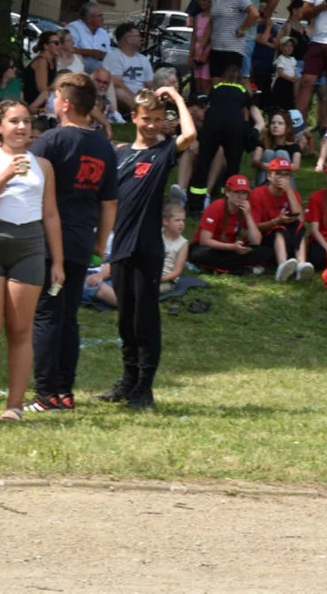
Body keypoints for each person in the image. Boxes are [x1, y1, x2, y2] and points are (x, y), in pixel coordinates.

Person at [0, 101, 64, 422]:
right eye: (14, 121)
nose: (21, 127)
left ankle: (15, 407)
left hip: (29, 247)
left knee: (19, 329)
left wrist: (58, 261)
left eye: (26, 122)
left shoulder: (43, 166)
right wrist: (5, 175)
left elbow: (50, 215)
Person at [97, 86, 196, 409]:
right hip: (121, 247)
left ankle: (145, 387)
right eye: (146, 119)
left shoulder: (164, 151)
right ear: (133, 118)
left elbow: (190, 134)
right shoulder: (121, 154)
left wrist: (177, 100)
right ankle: (127, 381)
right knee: (125, 318)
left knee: (145, 319)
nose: (152, 125)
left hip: (148, 248)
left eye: (157, 119)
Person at [29, 72, 117, 412]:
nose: (53, 103)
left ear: (64, 104)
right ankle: (64, 391)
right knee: (68, 316)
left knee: (47, 314)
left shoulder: (50, 141)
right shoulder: (104, 146)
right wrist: (100, 242)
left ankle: (46, 393)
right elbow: (110, 202)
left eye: (54, 97)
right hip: (81, 241)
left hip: (49, 241)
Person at [186, 66, 257, 212]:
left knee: (203, 161)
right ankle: (228, 199)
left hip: (212, 124)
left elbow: (209, 102)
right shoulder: (242, 91)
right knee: (233, 162)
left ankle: (194, 204)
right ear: (240, 79)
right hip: (234, 127)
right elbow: (249, 107)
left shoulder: (216, 87)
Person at [188, 174, 272, 275]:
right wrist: (231, 247)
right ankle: (242, 269)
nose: (241, 197)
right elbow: (204, 241)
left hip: (233, 249)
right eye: (237, 192)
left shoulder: (246, 208)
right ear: (227, 192)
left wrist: (248, 216)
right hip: (212, 248)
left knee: (266, 252)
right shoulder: (216, 207)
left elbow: (256, 241)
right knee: (198, 254)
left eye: (244, 193)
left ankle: (225, 267)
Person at [249, 158, 311, 282]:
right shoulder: (257, 193)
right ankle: (282, 265)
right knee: (279, 230)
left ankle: (301, 265)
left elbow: (301, 219)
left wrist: (288, 191)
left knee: (299, 228)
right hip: (267, 236)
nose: (282, 178)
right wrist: (276, 221)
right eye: (278, 173)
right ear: (269, 175)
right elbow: (255, 226)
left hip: (289, 235)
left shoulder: (292, 193)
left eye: (286, 174)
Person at [227, 0, 281, 85]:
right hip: (227, 38)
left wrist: (264, 15)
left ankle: (248, 105)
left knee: (243, 77)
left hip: (245, 37)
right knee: (227, 77)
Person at [209, 0, 258, 86]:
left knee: (229, 84)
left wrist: (242, 28)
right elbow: (211, 23)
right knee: (216, 84)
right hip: (216, 48)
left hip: (232, 48)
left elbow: (254, 13)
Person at [103, 24, 154, 115]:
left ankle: (149, 111)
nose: (140, 39)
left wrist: (145, 97)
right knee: (119, 92)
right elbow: (117, 83)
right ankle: (143, 112)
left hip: (140, 95)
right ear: (128, 40)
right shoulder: (114, 57)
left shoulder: (143, 59)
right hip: (124, 96)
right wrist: (135, 97)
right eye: (138, 36)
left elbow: (149, 84)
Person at [252, 109, 301, 187]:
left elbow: (296, 166)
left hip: (285, 181)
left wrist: (278, 166)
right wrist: (269, 166)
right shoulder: (263, 142)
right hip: (265, 176)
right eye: (273, 123)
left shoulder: (294, 146)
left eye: (280, 123)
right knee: (268, 153)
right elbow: (255, 161)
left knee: (281, 153)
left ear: (287, 128)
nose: (275, 126)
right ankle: (262, 189)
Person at [66, 2, 112, 73]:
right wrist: (91, 53)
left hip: (101, 66)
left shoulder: (103, 33)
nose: (102, 18)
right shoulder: (74, 28)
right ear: (88, 19)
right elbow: (68, 49)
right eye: (99, 16)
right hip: (79, 65)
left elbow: (109, 54)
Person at [22, 32, 59, 114]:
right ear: (46, 46)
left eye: (60, 43)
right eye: (56, 43)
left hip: (45, 100)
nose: (59, 46)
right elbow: (42, 88)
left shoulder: (53, 60)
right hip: (33, 100)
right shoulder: (42, 60)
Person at [188, 0, 215, 95]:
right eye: (200, 0)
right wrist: (190, 55)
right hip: (197, 50)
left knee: (206, 82)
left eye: (206, 0)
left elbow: (213, 37)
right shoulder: (197, 16)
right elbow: (194, 36)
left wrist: (206, 54)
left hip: (207, 50)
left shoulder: (214, 17)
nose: (203, 2)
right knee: (197, 81)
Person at [271, 36, 298, 110]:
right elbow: (281, 73)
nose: (290, 48)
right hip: (281, 84)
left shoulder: (293, 59)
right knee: (280, 106)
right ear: (282, 47)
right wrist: (291, 78)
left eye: (291, 46)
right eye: (287, 46)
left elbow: (294, 71)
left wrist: (295, 77)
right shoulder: (281, 59)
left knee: (289, 106)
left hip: (289, 84)